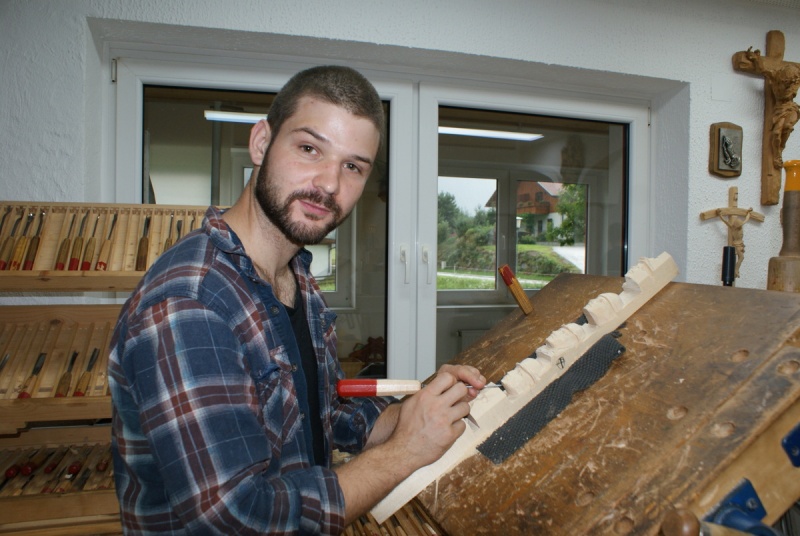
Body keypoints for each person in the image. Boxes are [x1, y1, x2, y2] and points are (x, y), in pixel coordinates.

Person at [108, 65, 486, 535]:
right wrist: (405, 451)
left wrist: (414, 415)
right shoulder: (188, 303)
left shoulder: (298, 279)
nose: (329, 184)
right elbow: (239, 518)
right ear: (261, 143)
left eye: (353, 166)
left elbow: (324, 414)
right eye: (310, 149)